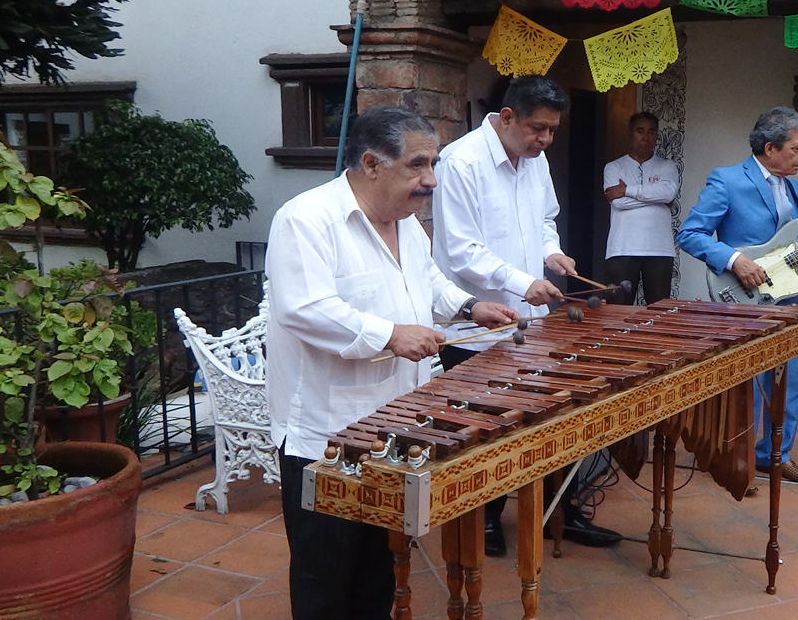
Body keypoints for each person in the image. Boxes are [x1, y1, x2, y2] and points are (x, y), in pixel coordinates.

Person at [265, 106, 518, 620]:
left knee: (379, 572)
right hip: (325, 436)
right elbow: (303, 309)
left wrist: (468, 306)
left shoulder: (408, 226)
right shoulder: (306, 219)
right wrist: (390, 335)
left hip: (393, 427)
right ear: (372, 163)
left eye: (435, 164)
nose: (431, 180)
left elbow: (427, 281)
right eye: (419, 165)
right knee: (326, 579)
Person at [432, 74, 623, 557]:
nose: (546, 140)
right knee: (485, 427)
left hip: (531, 321)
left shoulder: (535, 162)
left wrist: (552, 254)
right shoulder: (461, 162)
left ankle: (556, 509)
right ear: (507, 117)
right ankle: (485, 517)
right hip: (476, 323)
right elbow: (460, 250)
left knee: (546, 415)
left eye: (553, 131)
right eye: (538, 129)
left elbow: (543, 220)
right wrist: (523, 282)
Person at [676, 106, 798, 484]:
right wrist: (735, 259)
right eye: (797, 148)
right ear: (770, 147)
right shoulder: (728, 180)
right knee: (745, 384)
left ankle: (777, 455)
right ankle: (738, 460)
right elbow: (691, 233)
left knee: (789, 381)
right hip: (743, 300)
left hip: (790, 302)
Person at [603, 111, 679, 305]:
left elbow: (668, 193)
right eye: (640, 131)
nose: (646, 137)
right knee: (617, 308)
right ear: (630, 133)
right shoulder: (614, 167)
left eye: (651, 132)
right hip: (622, 248)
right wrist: (656, 198)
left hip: (659, 249)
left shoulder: (667, 166)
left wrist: (627, 189)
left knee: (659, 311)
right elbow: (618, 202)